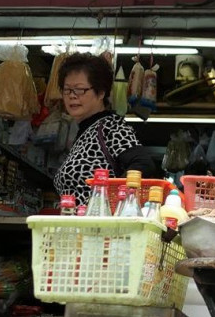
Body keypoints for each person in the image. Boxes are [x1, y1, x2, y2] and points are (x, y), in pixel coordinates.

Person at [53, 53, 156, 206]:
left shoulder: (110, 126)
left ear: (101, 92)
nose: (72, 96)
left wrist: (110, 203)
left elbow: (143, 165)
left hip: (99, 227)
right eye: (67, 90)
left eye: (80, 90)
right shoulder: (84, 132)